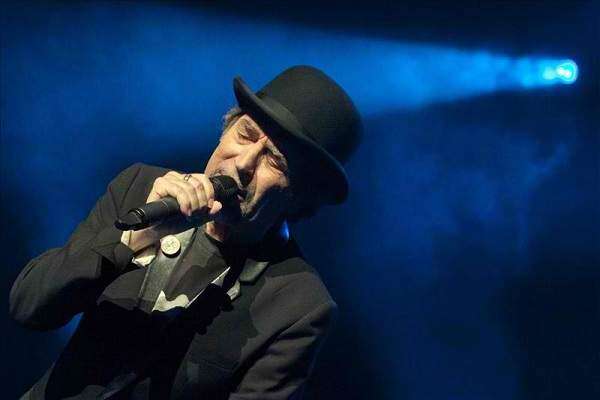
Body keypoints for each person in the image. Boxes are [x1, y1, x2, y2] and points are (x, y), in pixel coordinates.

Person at [9, 65, 362, 399]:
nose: (243, 163)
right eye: (245, 135)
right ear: (224, 131)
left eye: (274, 160)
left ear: (300, 195)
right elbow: (29, 306)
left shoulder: (299, 304)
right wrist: (136, 239)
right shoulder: (140, 186)